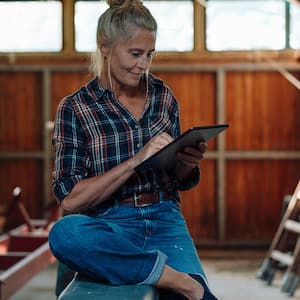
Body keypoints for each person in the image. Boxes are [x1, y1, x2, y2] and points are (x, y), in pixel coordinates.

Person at [49, 1, 218, 299]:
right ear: (105, 47)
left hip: (165, 218)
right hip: (109, 226)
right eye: (136, 54)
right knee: (65, 233)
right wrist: (136, 160)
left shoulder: (163, 95)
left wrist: (186, 162)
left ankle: (159, 274)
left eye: (150, 54)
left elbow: (178, 179)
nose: (144, 64)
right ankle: (173, 278)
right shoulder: (75, 108)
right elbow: (71, 201)